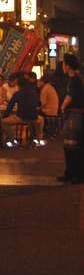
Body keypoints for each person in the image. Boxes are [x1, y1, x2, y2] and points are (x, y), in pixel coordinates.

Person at [58, 54, 84, 183]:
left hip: (75, 114)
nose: (63, 66)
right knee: (69, 144)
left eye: (63, 64)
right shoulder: (74, 78)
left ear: (68, 66)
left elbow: (70, 97)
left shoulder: (75, 79)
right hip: (74, 114)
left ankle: (77, 175)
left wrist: (62, 107)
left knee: (73, 144)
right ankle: (70, 173)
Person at [1, 75, 43, 141]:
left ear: (18, 85)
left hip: (21, 118)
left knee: (3, 121)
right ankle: (38, 139)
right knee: (41, 119)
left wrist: (4, 116)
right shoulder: (33, 93)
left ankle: (10, 139)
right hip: (34, 118)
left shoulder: (17, 94)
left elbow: (10, 107)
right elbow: (39, 104)